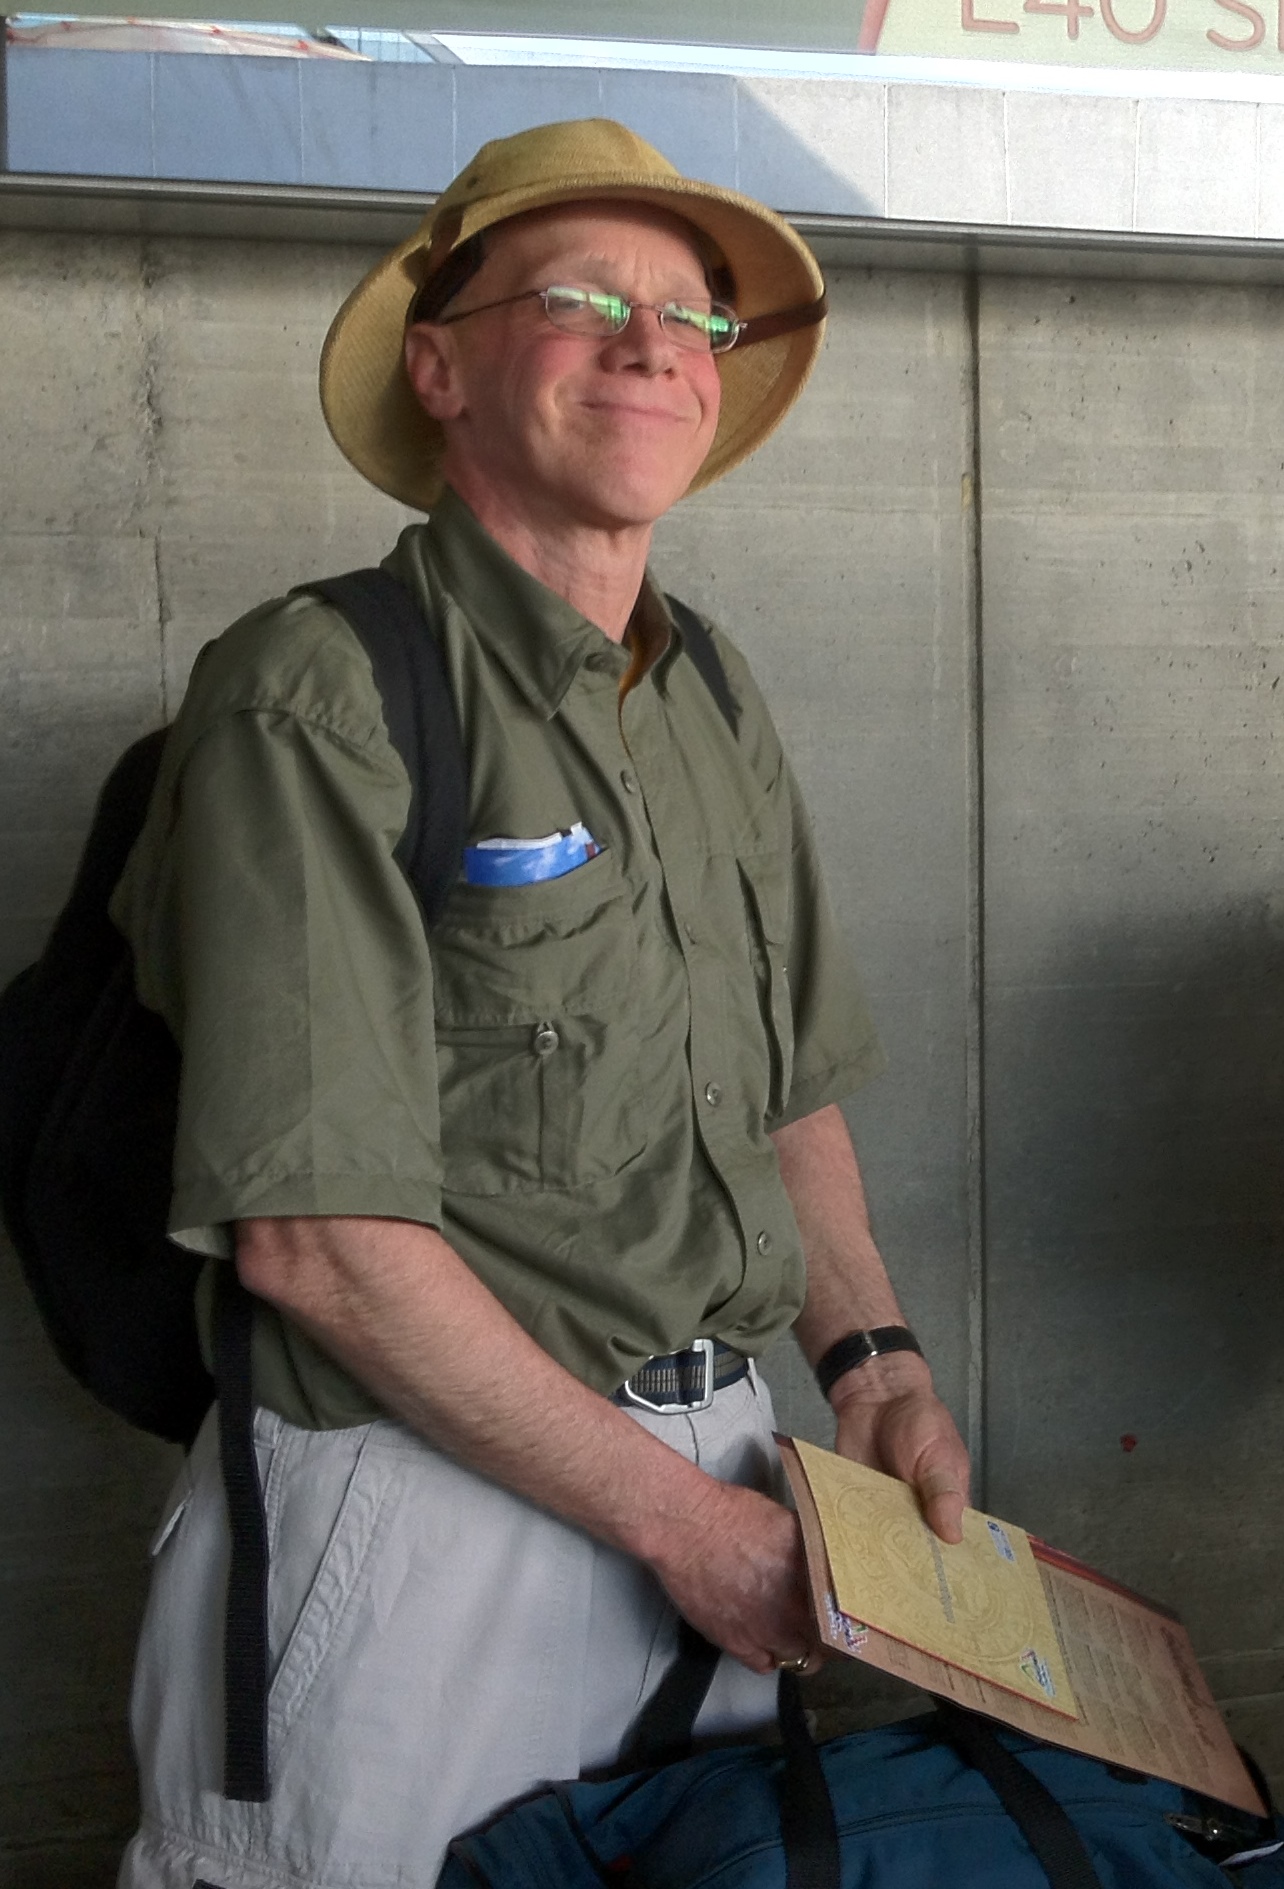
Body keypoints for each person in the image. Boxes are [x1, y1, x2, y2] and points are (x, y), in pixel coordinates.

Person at [112, 117, 970, 1889]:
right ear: (441, 367)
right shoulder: (317, 691)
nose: (652, 345)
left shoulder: (708, 687)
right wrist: (677, 1523)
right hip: (420, 1506)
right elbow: (314, 1239)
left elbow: (786, 1092)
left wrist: (872, 1365)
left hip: (727, 1484)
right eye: (580, 299)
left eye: (691, 314)